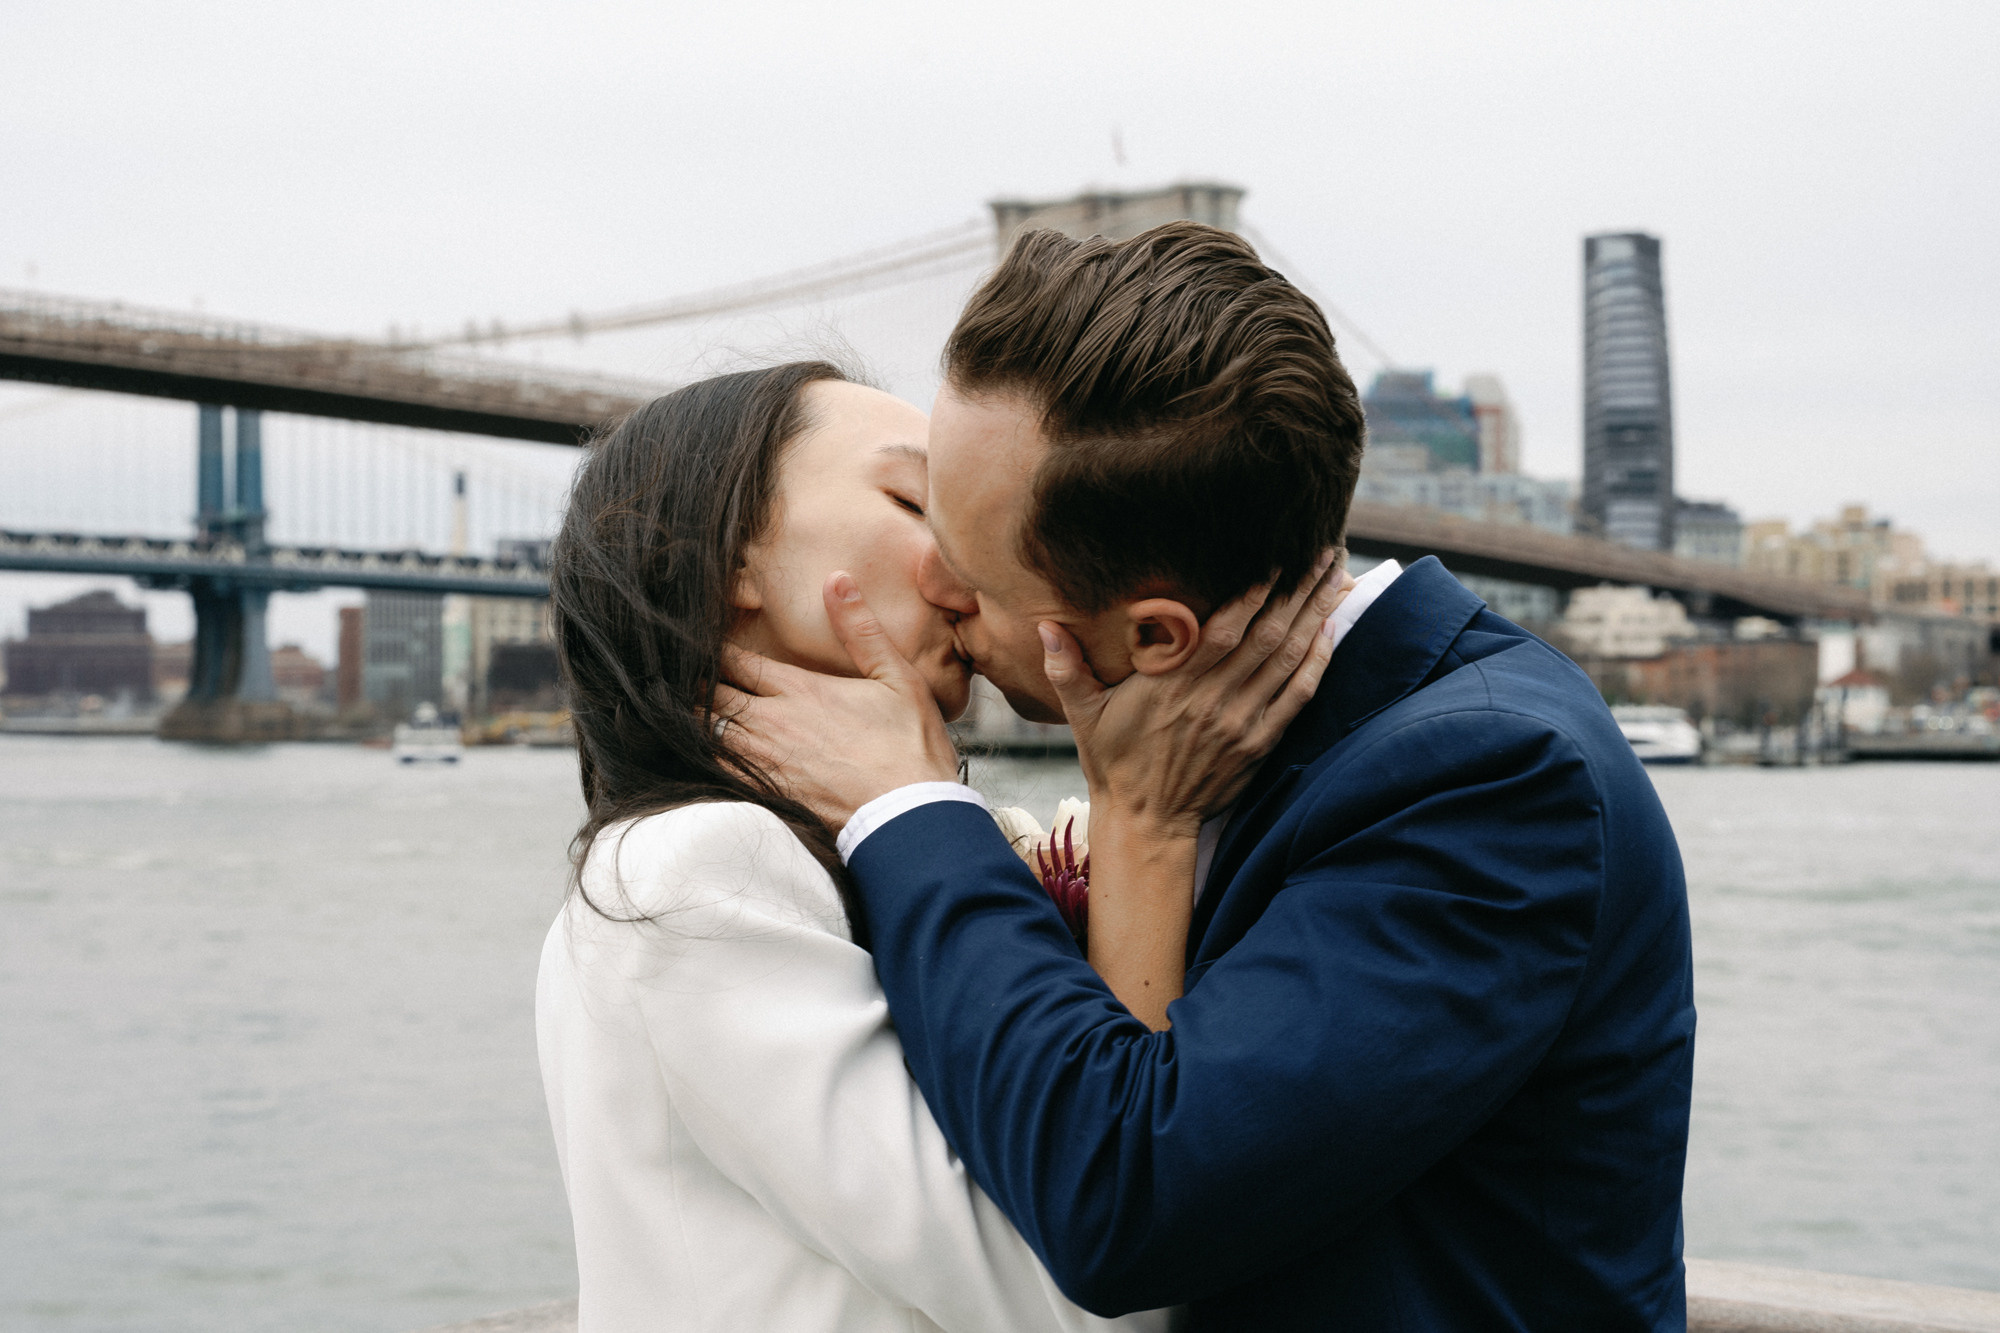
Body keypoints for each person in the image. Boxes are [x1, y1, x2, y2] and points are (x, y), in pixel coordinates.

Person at [720, 223, 1697, 1330]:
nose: (934, 586)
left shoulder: (1490, 781)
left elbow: (1125, 1199)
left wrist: (906, 807)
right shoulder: (1246, 749)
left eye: (975, 577)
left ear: (1153, 638)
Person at [533, 360, 1339, 1332]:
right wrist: (1123, 816)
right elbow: (1092, 1292)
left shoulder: (846, 852)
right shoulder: (694, 872)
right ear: (728, 557)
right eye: (919, 502)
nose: (973, 567)